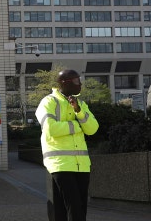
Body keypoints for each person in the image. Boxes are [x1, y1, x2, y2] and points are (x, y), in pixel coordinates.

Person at [35, 70, 99, 221]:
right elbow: (51, 128)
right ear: (65, 83)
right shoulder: (48, 102)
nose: (80, 84)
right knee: (73, 207)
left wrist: (78, 111)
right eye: (77, 81)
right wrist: (77, 126)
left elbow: (92, 129)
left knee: (79, 208)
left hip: (82, 165)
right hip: (60, 164)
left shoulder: (80, 104)